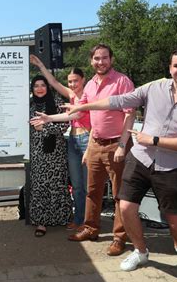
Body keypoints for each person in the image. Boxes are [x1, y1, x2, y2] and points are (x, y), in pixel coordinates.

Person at [66, 47, 177, 271]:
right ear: (170, 68)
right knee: (125, 207)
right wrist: (84, 106)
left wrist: (153, 140)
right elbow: (118, 101)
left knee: (175, 218)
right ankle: (140, 251)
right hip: (140, 159)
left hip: (172, 165)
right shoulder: (154, 87)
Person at [66, 44, 135, 257]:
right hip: (95, 142)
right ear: (91, 61)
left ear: (111, 60)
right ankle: (91, 228)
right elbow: (81, 114)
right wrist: (49, 118)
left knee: (119, 194)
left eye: (104, 58)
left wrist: (123, 145)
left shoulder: (122, 81)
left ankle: (119, 237)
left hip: (117, 144)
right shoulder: (89, 86)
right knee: (92, 191)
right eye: (97, 58)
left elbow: (129, 115)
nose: (100, 62)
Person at [30, 55, 91, 230]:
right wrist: (40, 64)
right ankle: (79, 219)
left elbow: (73, 117)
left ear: (83, 80)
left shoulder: (90, 95)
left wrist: (47, 124)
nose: (72, 84)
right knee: (77, 185)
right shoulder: (70, 95)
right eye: (70, 81)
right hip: (71, 141)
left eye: (75, 81)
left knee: (86, 185)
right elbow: (55, 82)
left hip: (86, 140)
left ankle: (87, 222)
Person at [28, 75, 72, 237]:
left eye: (43, 85)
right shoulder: (29, 105)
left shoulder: (58, 102)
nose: (39, 88)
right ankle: (41, 222)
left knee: (58, 184)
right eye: (36, 86)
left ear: (48, 86)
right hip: (37, 152)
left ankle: (62, 217)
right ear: (32, 89)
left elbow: (65, 125)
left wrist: (45, 128)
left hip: (56, 153)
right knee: (40, 185)